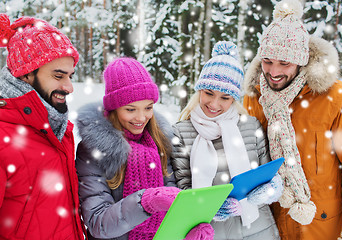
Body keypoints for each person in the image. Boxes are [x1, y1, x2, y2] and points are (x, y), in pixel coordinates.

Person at [242, 0, 342, 239]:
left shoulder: (338, 97)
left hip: (322, 226)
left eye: (284, 63)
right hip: (270, 226)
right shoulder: (255, 98)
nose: (273, 72)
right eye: (267, 61)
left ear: (301, 60)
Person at [75, 57, 213, 240]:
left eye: (148, 107)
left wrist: (186, 231)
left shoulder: (160, 141)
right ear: (114, 108)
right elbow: (98, 223)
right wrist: (145, 202)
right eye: (131, 109)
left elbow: (172, 204)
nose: (141, 117)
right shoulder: (93, 150)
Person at [171, 41, 282, 240]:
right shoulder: (181, 133)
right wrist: (211, 206)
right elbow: (181, 190)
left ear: (234, 99)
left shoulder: (251, 126)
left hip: (257, 231)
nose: (214, 104)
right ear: (199, 91)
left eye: (225, 97)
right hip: (210, 233)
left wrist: (271, 189)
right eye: (209, 93)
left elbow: (269, 173)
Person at [0, 14, 85, 239]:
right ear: (26, 74)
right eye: (58, 76)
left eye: (70, 76)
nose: (69, 87)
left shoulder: (59, 129)